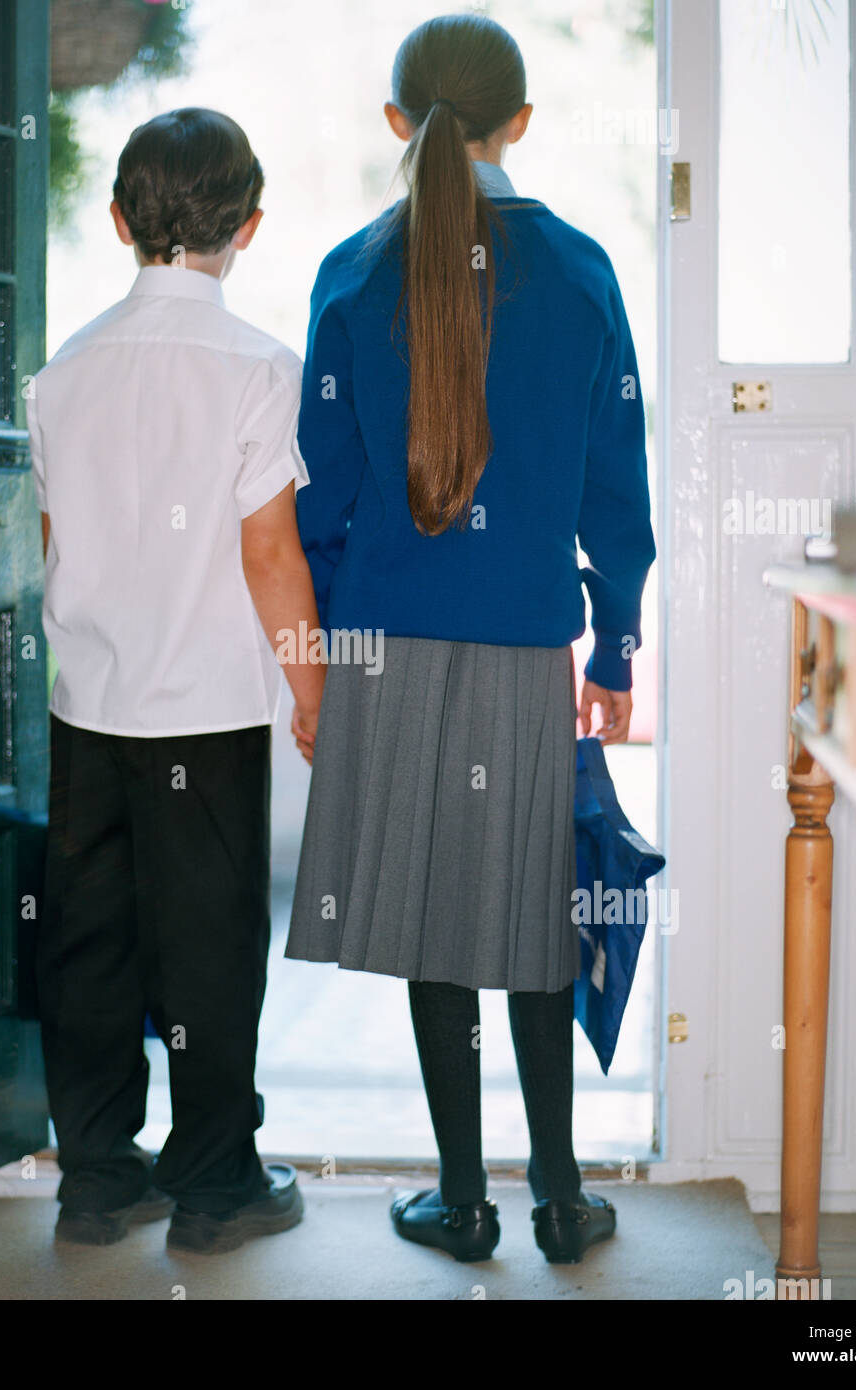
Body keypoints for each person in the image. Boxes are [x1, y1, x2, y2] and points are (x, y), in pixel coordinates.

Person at [286, 15, 656, 1265]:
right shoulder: (583, 271)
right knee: (528, 915)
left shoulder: (349, 269)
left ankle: (462, 1199)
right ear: (522, 123)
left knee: (436, 920)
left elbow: (319, 500)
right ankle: (558, 1195)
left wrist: (333, 655)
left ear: (399, 125)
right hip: (520, 649)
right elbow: (616, 489)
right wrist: (612, 648)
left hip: (385, 646)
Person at [27, 107, 324, 1254]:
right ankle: (212, 1185)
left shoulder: (64, 373)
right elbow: (268, 554)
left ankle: (98, 1177)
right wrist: (311, 687)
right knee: (205, 945)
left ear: (115, 220)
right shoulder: (257, 368)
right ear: (247, 225)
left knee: (89, 942)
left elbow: (57, 535)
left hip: (88, 701)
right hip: (203, 706)